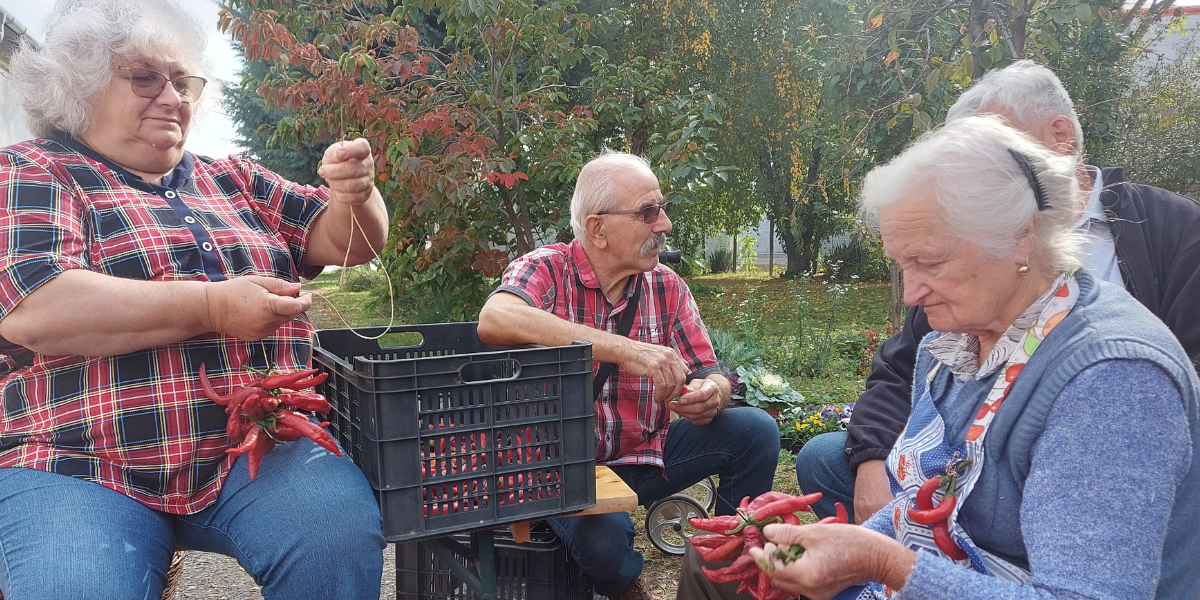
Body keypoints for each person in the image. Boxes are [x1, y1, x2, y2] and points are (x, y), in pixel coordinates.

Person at [0, 1, 390, 598]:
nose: (172, 96)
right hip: (77, 462)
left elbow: (350, 242)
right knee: (76, 584)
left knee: (334, 536)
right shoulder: (35, 169)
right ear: (77, 88)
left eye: (182, 82)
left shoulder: (233, 177)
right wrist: (211, 308)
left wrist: (356, 194)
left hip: (258, 449)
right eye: (145, 78)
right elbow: (39, 307)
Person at [751, 115, 1199, 599]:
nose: (911, 293)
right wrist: (849, 544)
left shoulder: (1113, 380)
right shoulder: (956, 343)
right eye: (901, 265)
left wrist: (884, 563)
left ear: (1021, 235)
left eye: (930, 261)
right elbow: (934, 495)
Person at [795, 60, 1200, 526]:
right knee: (827, 459)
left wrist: (890, 561)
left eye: (989, 156)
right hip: (970, 447)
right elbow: (901, 368)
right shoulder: (954, 277)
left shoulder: (1169, 238)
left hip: (1106, 451)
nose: (912, 292)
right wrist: (873, 463)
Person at [477, 150, 780, 600]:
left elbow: (710, 371)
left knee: (755, 431)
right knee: (604, 541)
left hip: (645, 454)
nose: (664, 225)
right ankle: (621, 585)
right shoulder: (547, 269)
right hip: (562, 467)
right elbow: (495, 317)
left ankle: (723, 571)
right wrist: (623, 349)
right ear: (598, 228)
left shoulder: (666, 285)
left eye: (661, 209)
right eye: (647, 212)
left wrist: (711, 394)